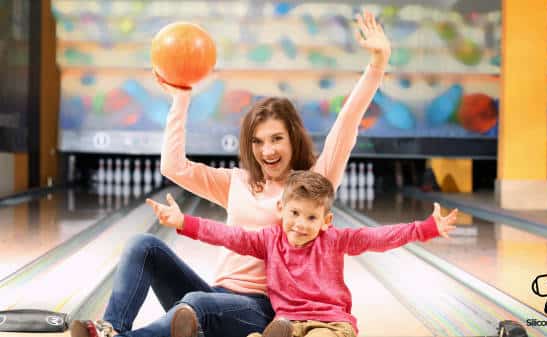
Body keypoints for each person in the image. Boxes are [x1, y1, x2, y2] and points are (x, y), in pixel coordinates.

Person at [70, 9, 391, 337]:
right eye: (258, 141)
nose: (267, 150)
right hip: (215, 298)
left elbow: (348, 122)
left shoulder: (312, 185)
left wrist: (377, 64)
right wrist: (181, 99)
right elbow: (173, 167)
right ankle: (112, 328)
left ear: (293, 138)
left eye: (277, 139)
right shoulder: (237, 182)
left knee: (196, 302)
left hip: (262, 311)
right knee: (144, 245)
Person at [146, 170, 458, 337]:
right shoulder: (270, 239)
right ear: (281, 210)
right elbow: (231, 236)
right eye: (295, 213)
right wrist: (184, 221)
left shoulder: (335, 240)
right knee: (277, 332)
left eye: (311, 218)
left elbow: (379, 236)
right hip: (286, 324)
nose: (301, 224)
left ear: (327, 221)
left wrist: (426, 228)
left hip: (330, 324)